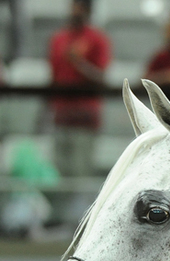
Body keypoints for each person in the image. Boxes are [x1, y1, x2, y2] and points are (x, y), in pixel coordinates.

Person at [48, 0, 110, 178]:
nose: (75, 11)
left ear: (88, 11)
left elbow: (101, 77)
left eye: (80, 7)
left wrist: (78, 62)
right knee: (58, 172)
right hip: (61, 115)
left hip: (86, 118)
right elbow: (53, 78)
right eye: (74, 6)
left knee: (80, 173)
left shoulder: (98, 39)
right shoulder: (58, 39)